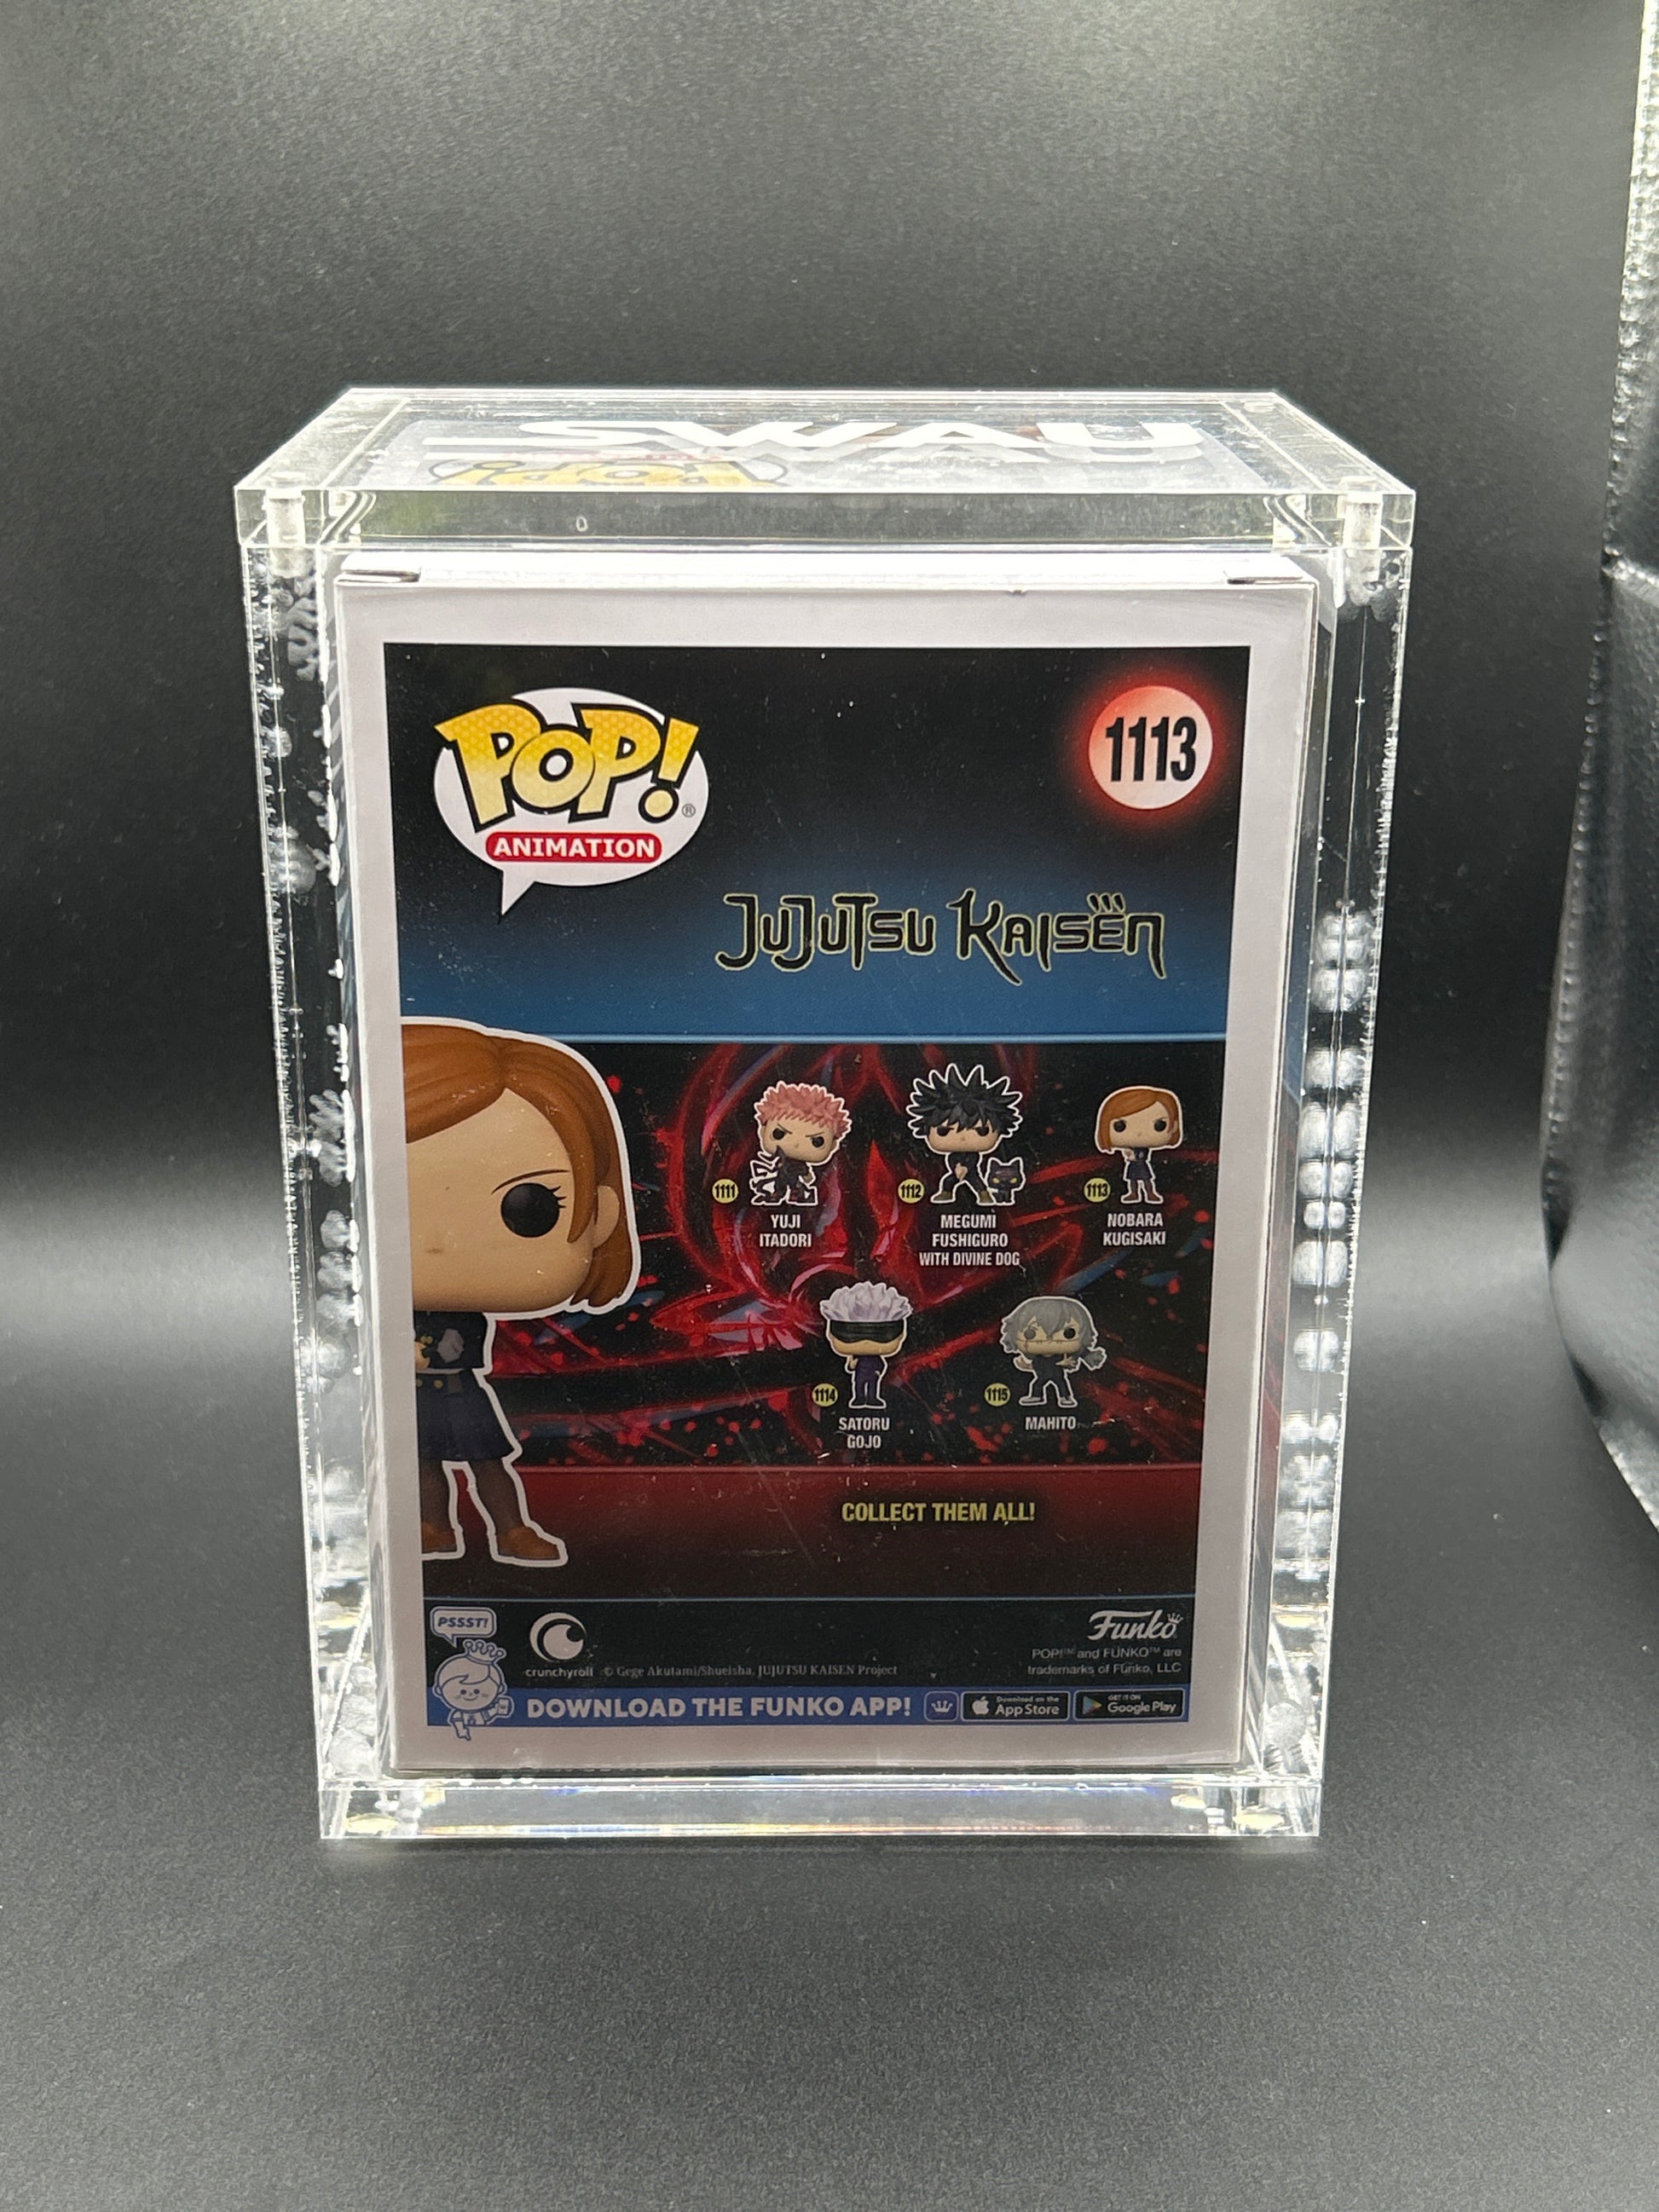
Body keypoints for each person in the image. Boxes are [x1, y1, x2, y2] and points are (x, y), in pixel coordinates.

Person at [404, 1019, 639, 1566]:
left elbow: (456, 1347)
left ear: (600, 1214)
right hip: (417, 1399)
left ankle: (511, 1530)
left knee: (486, 1462)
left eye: (530, 1207)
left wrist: (412, 1354)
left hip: (458, 1392)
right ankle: (434, 1527)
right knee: (423, 1465)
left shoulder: (460, 1311)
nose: (438, 1242)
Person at [1095, 1085, 1183, 1205]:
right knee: (1132, 1180)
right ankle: (1133, 1194)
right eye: (1120, 1126)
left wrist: (1133, 1156)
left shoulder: (1142, 1149)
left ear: (1174, 1126)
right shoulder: (1130, 1147)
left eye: (1159, 1125)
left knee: (1146, 1180)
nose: (1139, 1133)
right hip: (1132, 1166)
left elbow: (1141, 1156)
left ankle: (1150, 1194)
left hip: (1141, 1165)